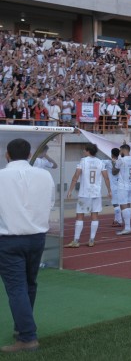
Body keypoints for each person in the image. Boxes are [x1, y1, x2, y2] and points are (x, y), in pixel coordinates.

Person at [0, 138, 55, 352]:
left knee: (17, 288)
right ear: (30, 153)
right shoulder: (44, 175)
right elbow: (49, 202)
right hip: (36, 237)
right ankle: (23, 327)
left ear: (7, 154)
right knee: (29, 284)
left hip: (9, 238)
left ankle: (27, 336)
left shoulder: (2, 176)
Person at [65, 143, 111, 248]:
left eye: (84, 150)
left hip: (85, 193)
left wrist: (70, 190)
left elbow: (76, 176)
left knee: (80, 216)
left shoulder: (83, 161)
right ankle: (91, 239)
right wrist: (109, 190)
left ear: (88, 151)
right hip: (96, 193)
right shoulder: (100, 162)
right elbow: (106, 177)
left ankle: (76, 240)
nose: (83, 151)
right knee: (94, 216)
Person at [113, 144, 131, 236]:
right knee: (128, 205)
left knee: (123, 205)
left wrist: (115, 162)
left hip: (123, 185)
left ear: (123, 150)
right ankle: (128, 226)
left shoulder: (121, 160)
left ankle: (127, 227)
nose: (120, 152)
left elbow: (114, 171)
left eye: (120, 150)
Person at [104, 148, 122, 228]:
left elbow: (98, 163)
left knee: (115, 204)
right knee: (119, 203)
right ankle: (116, 219)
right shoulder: (121, 162)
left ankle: (119, 221)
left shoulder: (108, 162)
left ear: (111, 154)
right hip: (121, 185)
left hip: (113, 186)